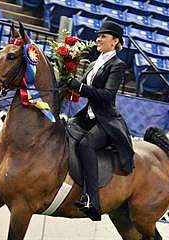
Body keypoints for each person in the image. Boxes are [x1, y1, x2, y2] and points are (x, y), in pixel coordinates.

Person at [68, 20, 135, 221]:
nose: (98, 38)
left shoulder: (117, 65)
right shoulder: (92, 64)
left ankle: (92, 200)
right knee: (65, 129)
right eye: (98, 35)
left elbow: (106, 95)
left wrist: (79, 88)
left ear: (114, 42)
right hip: (87, 117)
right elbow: (80, 87)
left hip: (107, 121)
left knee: (86, 144)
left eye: (103, 36)